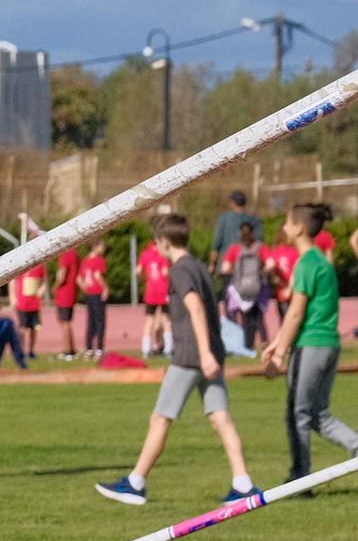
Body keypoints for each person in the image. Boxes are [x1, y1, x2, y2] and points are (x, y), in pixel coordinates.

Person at [96, 212, 256, 507]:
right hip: (210, 354)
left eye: (157, 243)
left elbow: (195, 309)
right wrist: (212, 353)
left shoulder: (180, 270)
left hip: (191, 356)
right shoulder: (198, 266)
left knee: (160, 418)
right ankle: (244, 484)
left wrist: (204, 353)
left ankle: (135, 483)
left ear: (165, 241)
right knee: (220, 418)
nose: (156, 249)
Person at [261, 202, 358, 494]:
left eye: (288, 222)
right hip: (328, 345)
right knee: (318, 414)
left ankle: (300, 479)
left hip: (310, 346)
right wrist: (277, 343)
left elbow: (295, 312)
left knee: (297, 414)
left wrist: (279, 353)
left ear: (299, 227)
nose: (285, 228)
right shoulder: (321, 262)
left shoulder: (305, 263)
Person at [223, 217, 269, 352]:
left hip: (241, 288)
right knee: (259, 317)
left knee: (245, 318)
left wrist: (237, 274)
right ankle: (265, 342)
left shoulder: (235, 248)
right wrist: (260, 273)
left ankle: (247, 344)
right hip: (257, 287)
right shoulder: (260, 247)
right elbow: (271, 263)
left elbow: (225, 268)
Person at [137, 229, 172, 357]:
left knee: (149, 322)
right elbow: (165, 272)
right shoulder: (163, 254)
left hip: (150, 292)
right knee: (166, 321)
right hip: (163, 292)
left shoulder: (145, 254)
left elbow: (138, 270)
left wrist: (145, 278)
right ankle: (168, 350)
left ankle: (146, 350)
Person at [9, 251, 46, 361]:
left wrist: (41, 291)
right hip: (22, 302)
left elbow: (43, 281)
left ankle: (31, 350)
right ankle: (20, 350)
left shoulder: (40, 266)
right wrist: (12, 296)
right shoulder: (21, 265)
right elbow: (12, 280)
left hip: (34, 303)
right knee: (23, 327)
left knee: (34, 327)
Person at [76, 242, 109, 358]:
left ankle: (89, 348)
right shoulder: (99, 260)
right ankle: (99, 349)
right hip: (97, 292)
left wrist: (85, 287)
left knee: (91, 322)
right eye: (101, 246)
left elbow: (79, 279)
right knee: (100, 322)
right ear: (95, 247)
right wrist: (105, 288)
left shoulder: (85, 261)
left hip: (89, 294)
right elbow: (97, 275)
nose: (103, 248)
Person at [210, 189, 252, 268]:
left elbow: (217, 242)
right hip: (246, 264)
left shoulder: (224, 218)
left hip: (226, 264)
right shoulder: (252, 219)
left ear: (233, 203)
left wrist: (212, 263)